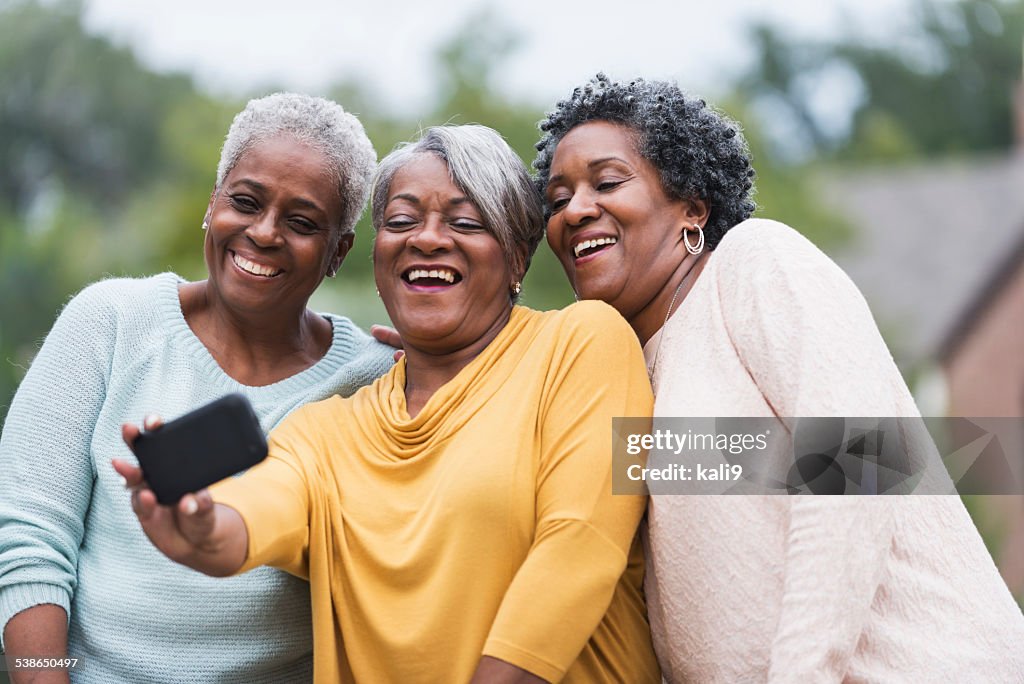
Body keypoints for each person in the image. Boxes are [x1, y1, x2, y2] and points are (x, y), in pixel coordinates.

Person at [116, 124, 662, 684]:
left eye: (465, 222)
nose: (426, 239)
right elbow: (256, 512)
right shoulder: (325, 428)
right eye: (400, 221)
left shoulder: (581, 344)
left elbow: (580, 545)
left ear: (518, 258)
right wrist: (198, 529)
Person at [534, 74, 1024, 682]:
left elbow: (864, 460)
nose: (576, 209)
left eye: (607, 183)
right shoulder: (622, 369)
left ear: (692, 207)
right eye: (557, 200)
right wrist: (435, 358)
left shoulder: (752, 265)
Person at [0, 93, 393, 683]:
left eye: (303, 222)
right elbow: (28, 538)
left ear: (338, 251)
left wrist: (439, 367)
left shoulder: (373, 379)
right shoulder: (109, 322)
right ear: (212, 206)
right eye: (245, 202)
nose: (263, 233)